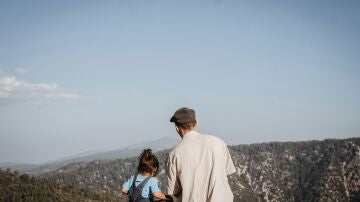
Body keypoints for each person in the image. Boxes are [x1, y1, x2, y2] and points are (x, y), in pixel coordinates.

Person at [166, 107, 236, 202]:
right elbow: (226, 173)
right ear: (196, 124)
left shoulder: (174, 154)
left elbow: (173, 193)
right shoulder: (219, 143)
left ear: (177, 128)